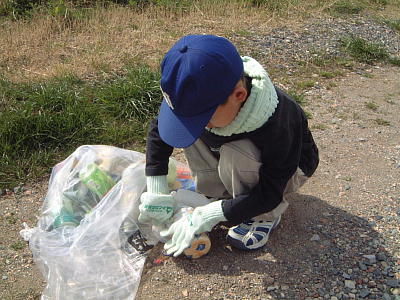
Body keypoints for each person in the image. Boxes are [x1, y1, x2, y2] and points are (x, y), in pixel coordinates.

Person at [138, 34, 319, 257]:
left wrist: (207, 216)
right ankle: (223, 198)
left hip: (285, 175)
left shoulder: (278, 120)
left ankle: (263, 216)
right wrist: (156, 189)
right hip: (233, 154)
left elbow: (271, 190)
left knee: (236, 151)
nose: (200, 123)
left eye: (203, 118)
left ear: (239, 95)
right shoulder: (197, 93)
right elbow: (161, 132)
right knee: (187, 133)